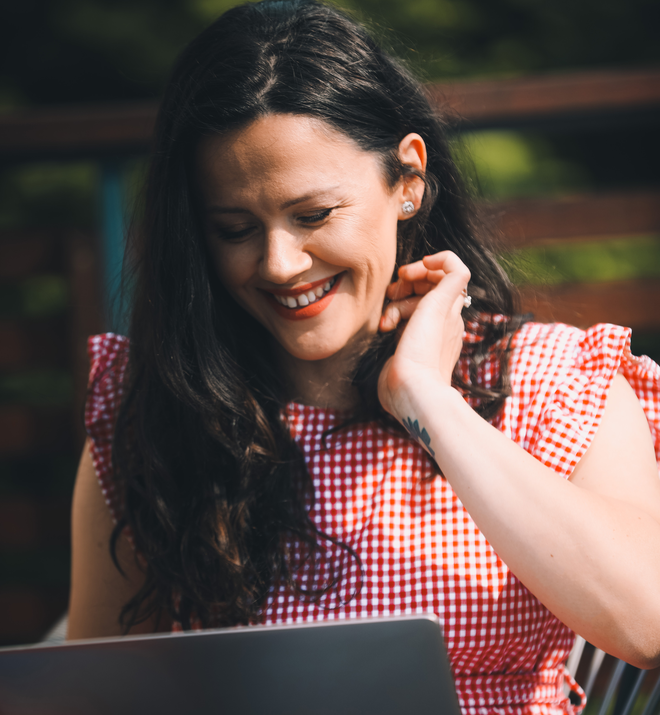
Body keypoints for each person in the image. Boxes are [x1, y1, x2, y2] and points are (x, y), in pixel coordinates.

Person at [67, 1, 660, 712]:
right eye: (234, 229)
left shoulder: (555, 381)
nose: (281, 264)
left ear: (407, 178)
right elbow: (93, 694)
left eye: (313, 215)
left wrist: (429, 400)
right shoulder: (160, 408)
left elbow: (645, 622)